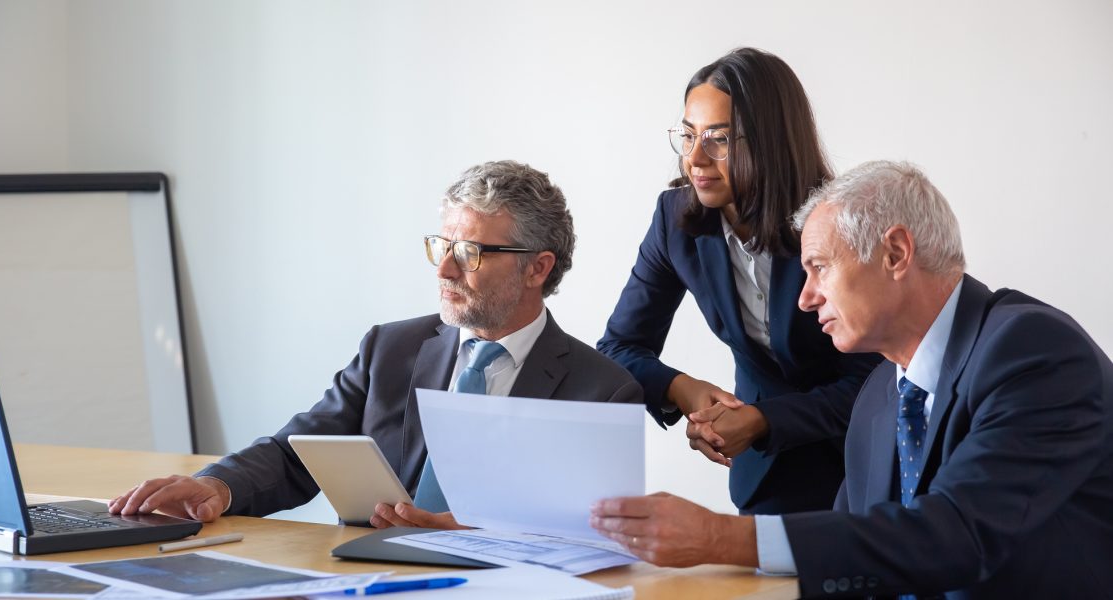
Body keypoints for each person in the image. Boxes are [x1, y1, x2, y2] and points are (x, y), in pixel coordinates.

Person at [590, 161, 1113, 598]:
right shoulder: (879, 398)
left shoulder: (1032, 351)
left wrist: (721, 538)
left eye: (819, 267)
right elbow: (860, 559)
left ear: (895, 253)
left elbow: (956, 535)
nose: (805, 297)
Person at [109, 160, 642, 529]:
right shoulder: (391, 348)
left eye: (470, 252)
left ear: (538, 268)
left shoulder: (602, 391)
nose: (445, 269)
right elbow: (297, 453)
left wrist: (481, 534)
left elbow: (597, 535)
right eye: (442, 246)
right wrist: (216, 487)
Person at [597, 47, 880, 515]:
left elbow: (877, 379)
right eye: (688, 136)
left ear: (770, 142)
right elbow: (618, 347)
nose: (695, 158)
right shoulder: (674, 221)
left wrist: (763, 419)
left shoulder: (840, 223)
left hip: (865, 466)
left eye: (719, 139)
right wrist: (683, 389)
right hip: (767, 476)